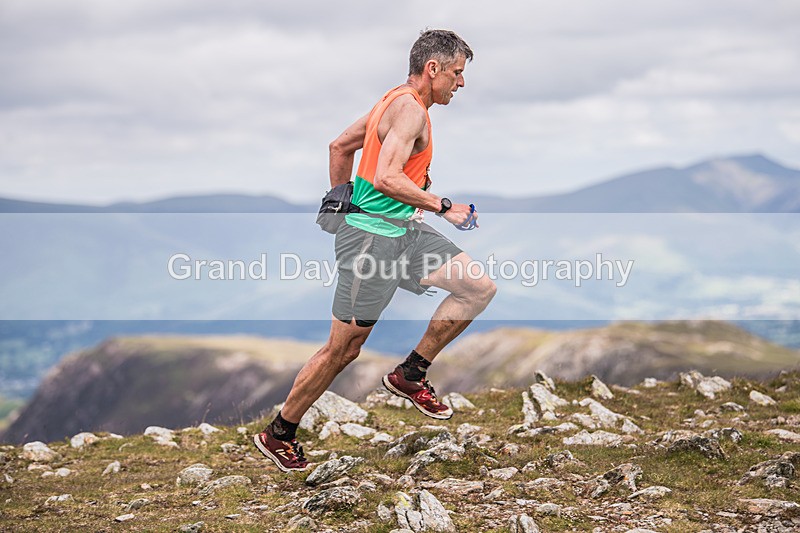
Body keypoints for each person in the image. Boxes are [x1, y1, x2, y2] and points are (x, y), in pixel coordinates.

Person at [254, 29, 496, 472]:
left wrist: (339, 197)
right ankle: (280, 432)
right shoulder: (408, 112)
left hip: (401, 233)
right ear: (433, 69)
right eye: (457, 74)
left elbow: (339, 145)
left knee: (477, 288)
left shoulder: (393, 102)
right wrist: (442, 206)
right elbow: (386, 177)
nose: (461, 84)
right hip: (371, 242)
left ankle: (411, 373)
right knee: (342, 350)